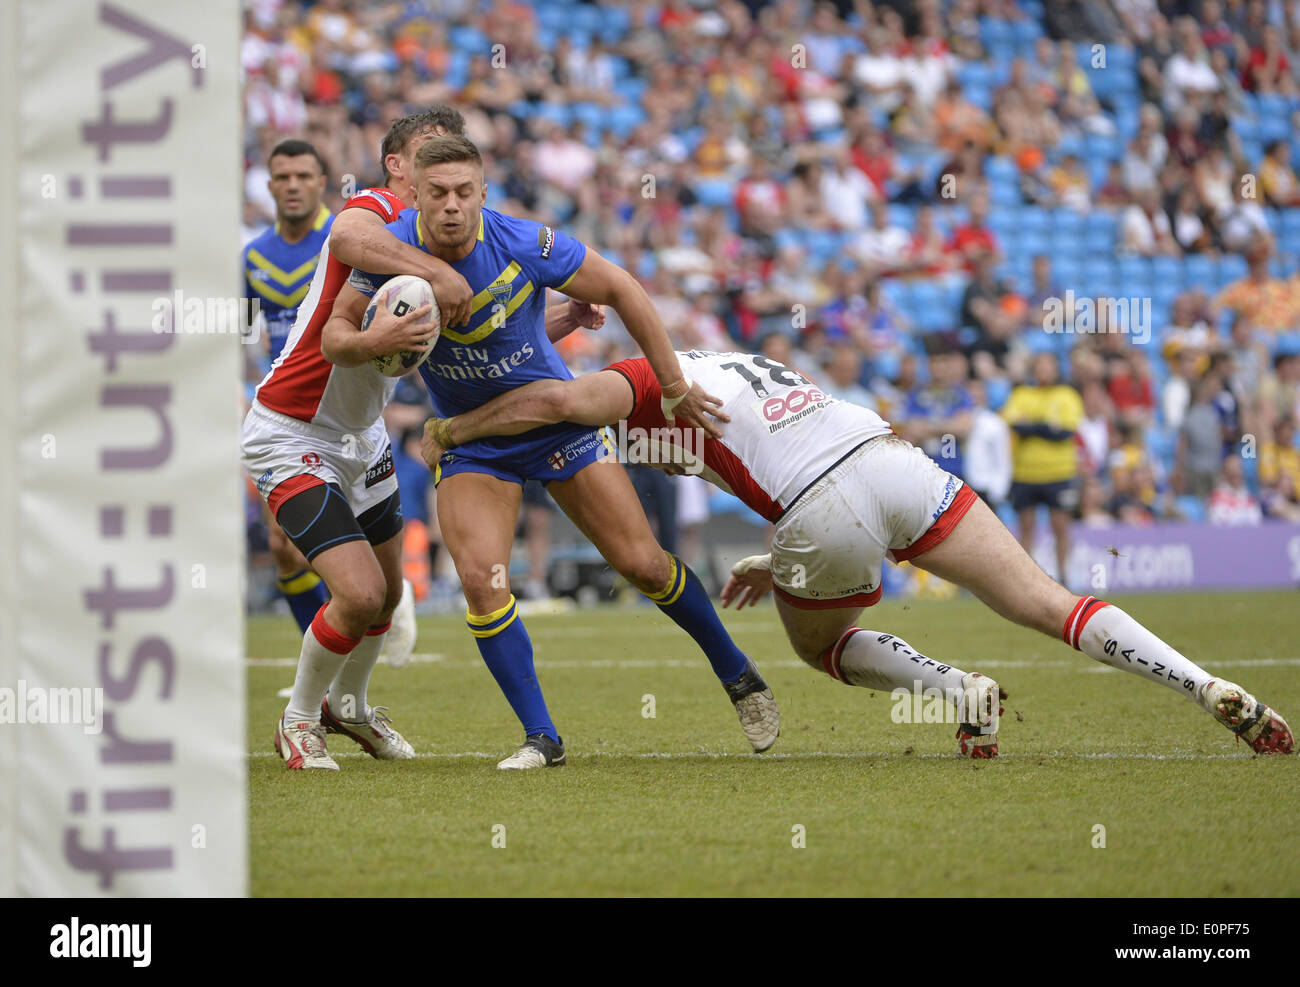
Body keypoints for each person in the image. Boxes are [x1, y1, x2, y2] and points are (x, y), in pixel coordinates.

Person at [422, 348, 1294, 758]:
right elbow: (786, 449)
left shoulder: (642, 380)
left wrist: (457, 426)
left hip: (826, 504)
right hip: (893, 462)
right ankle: (1202, 683)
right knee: (1047, 599)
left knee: (818, 646)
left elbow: (573, 399)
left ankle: (956, 690)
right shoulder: (731, 363)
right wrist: (782, 556)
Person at [329, 135, 780, 769]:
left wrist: (674, 387)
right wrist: (373, 337)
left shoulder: (524, 243)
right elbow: (335, 338)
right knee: (483, 585)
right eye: (438, 194)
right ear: (416, 197)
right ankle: (542, 737)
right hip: (472, 443)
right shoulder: (392, 250)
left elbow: (623, 287)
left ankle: (737, 673)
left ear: (483, 193)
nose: (452, 205)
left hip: (557, 429)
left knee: (645, 566)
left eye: (464, 192)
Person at [242, 139, 335, 637]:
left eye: (304, 175)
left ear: (322, 182)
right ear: (270, 185)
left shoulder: (344, 240)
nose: (293, 185)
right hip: (281, 417)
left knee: (349, 547)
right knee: (282, 544)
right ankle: (317, 660)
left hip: (345, 410)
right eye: (283, 177)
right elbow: (237, 338)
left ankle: (388, 603)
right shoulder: (252, 258)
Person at [1003, 352, 1083, 589]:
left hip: (1059, 473)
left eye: (1048, 366)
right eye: (1039, 366)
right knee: (1026, 528)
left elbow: (1065, 432)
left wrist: (1033, 426)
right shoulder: (1021, 394)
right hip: (1025, 474)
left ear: (1056, 370)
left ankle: (1063, 578)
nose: (1043, 371)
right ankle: (1025, 581)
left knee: (1061, 527)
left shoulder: (1067, 395)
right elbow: (1016, 425)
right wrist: (1047, 426)